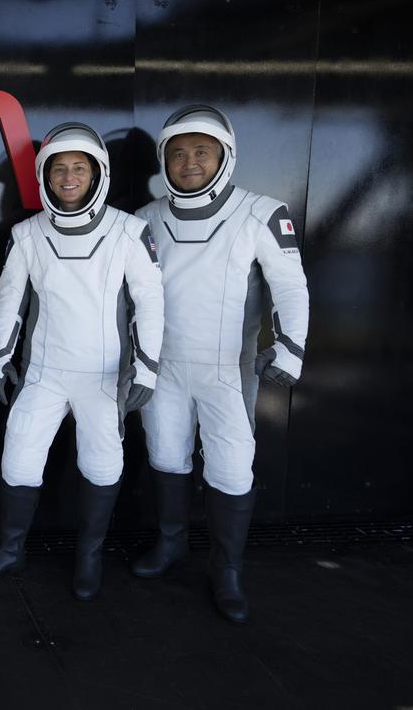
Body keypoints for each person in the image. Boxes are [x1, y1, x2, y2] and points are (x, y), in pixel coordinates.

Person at [0, 123, 163, 600]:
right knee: (18, 460)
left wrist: (145, 367)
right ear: (45, 176)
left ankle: (89, 557)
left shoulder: (129, 231)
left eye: (79, 167)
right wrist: (0, 359)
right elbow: (10, 302)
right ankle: (11, 549)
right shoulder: (26, 234)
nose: (69, 177)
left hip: (103, 376)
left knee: (102, 465)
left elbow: (149, 303)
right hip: (43, 373)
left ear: (97, 174)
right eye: (59, 168)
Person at [132, 104, 309, 624]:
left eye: (202, 152)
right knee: (166, 456)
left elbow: (290, 286)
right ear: (164, 161)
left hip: (228, 369)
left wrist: (290, 348)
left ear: (225, 156)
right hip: (162, 366)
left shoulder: (262, 213)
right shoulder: (145, 218)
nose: (189, 162)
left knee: (231, 468)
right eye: (178, 153)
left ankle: (227, 569)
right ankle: (171, 545)